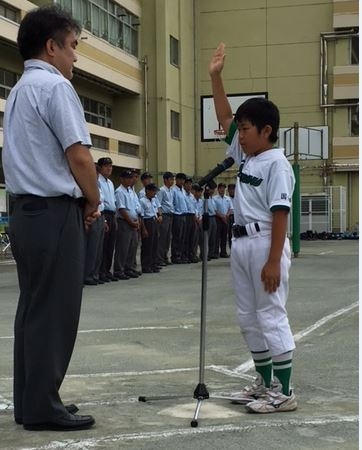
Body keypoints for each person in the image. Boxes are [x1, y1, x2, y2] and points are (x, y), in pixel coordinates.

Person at [2, 5, 98, 430]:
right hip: (54, 212)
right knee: (55, 311)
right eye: (73, 47)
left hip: (25, 212)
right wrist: (94, 200)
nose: (75, 57)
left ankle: (32, 400)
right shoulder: (55, 88)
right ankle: (43, 405)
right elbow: (79, 155)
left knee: (34, 309)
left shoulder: (21, 89)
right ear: (51, 46)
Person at [209, 42, 297, 413]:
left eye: (245, 130)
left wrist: (274, 260)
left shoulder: (277, 164)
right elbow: (226, 115)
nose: (238, 135)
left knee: (270, 314)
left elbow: (281, 214)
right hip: (241, 243)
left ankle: (285, 391)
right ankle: (263, 383)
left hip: (265, 243)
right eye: (239, 130)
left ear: (266, 130)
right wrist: (216, 77)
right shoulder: (249, 154)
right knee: (248, 317)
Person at [114, 170, 140, 280]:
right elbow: (122, 209)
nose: (130, 180)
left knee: (132, 246)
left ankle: (129, 268)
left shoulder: (131, 191)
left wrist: (137, 221)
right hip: (124, 221)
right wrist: (131, 222)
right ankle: (119, 270)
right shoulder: (120, 191)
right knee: (123, 247)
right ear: (122, 179)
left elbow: (136, 208)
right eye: (127, 178)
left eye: (131, 178)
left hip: (133, 221)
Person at [84, 164, 107, 285]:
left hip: (100, 216)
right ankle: (88, 274)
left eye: (97, 173)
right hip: (92, 216)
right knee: (91, 247)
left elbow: (101, 203)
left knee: (98, 248)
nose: (96, 175)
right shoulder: (87, 184)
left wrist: (105, 221)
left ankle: (95, 273)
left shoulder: (99, 185)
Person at [98, 157, 118, 282]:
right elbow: (101, 201)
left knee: (111, 245)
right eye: (106, 166)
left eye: (110, 166)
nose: (109, 168)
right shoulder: (97, 181)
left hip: (112, 214)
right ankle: (100, 271)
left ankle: (106, 270)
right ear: (100, 168)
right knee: (103, 245)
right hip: (104, 214)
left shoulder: (110, 183)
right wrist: (104, 220)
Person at [140, 183, 160, 273]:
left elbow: (156, 211)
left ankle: (153, 264)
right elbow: (141, 216)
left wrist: (159, 216)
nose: (155, 193)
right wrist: (143, 229)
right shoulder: (142, 201)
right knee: (147, 245)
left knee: (154, 244)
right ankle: (146, 265)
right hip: (147, 222)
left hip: (154, 221)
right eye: (153, 191)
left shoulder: (154, 200)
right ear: (147, 191)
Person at [157, 171, 175, 265]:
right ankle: (160, 258)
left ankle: (165, 257)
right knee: (162, 237)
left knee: (168, 238)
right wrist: (160, 215)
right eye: (171, 179)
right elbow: (158, 204)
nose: (172, 181)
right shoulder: (162, 190)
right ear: (165, 180)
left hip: (170, 215)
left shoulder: (171, 190)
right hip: (164, 215)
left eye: (173, 179)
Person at [171, 173, 188, 263]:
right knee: (177, 236)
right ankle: (175, 256)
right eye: (180, 179)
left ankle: (181, 255)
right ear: (176, 180)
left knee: (183, 237)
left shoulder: (183, 191)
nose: (182, 181)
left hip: (184, 215)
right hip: (177, 215)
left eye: (183, 180)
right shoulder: (173, 190)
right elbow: (172, 203)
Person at [214, 182, 233, 257]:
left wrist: (227, 215)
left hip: (226, 218)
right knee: (217, 236)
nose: (222, 190)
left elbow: (230, 208)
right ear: (218, 189)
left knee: (225, 236)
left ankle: (223, 252)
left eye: (223, 188)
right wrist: (221, 216)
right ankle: (215, 252)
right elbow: (214, 210)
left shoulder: (228, 198)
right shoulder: (215, 198)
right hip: (218, 219)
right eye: (221, 188)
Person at [227, 183, 235, 249]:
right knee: (230, 233)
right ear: (228, 190)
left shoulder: (239, 198)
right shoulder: (226, 199)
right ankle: (231, 248)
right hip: (230, 217)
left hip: (237, 217)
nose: (232, 191)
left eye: (233, 189)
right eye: (230, 189)